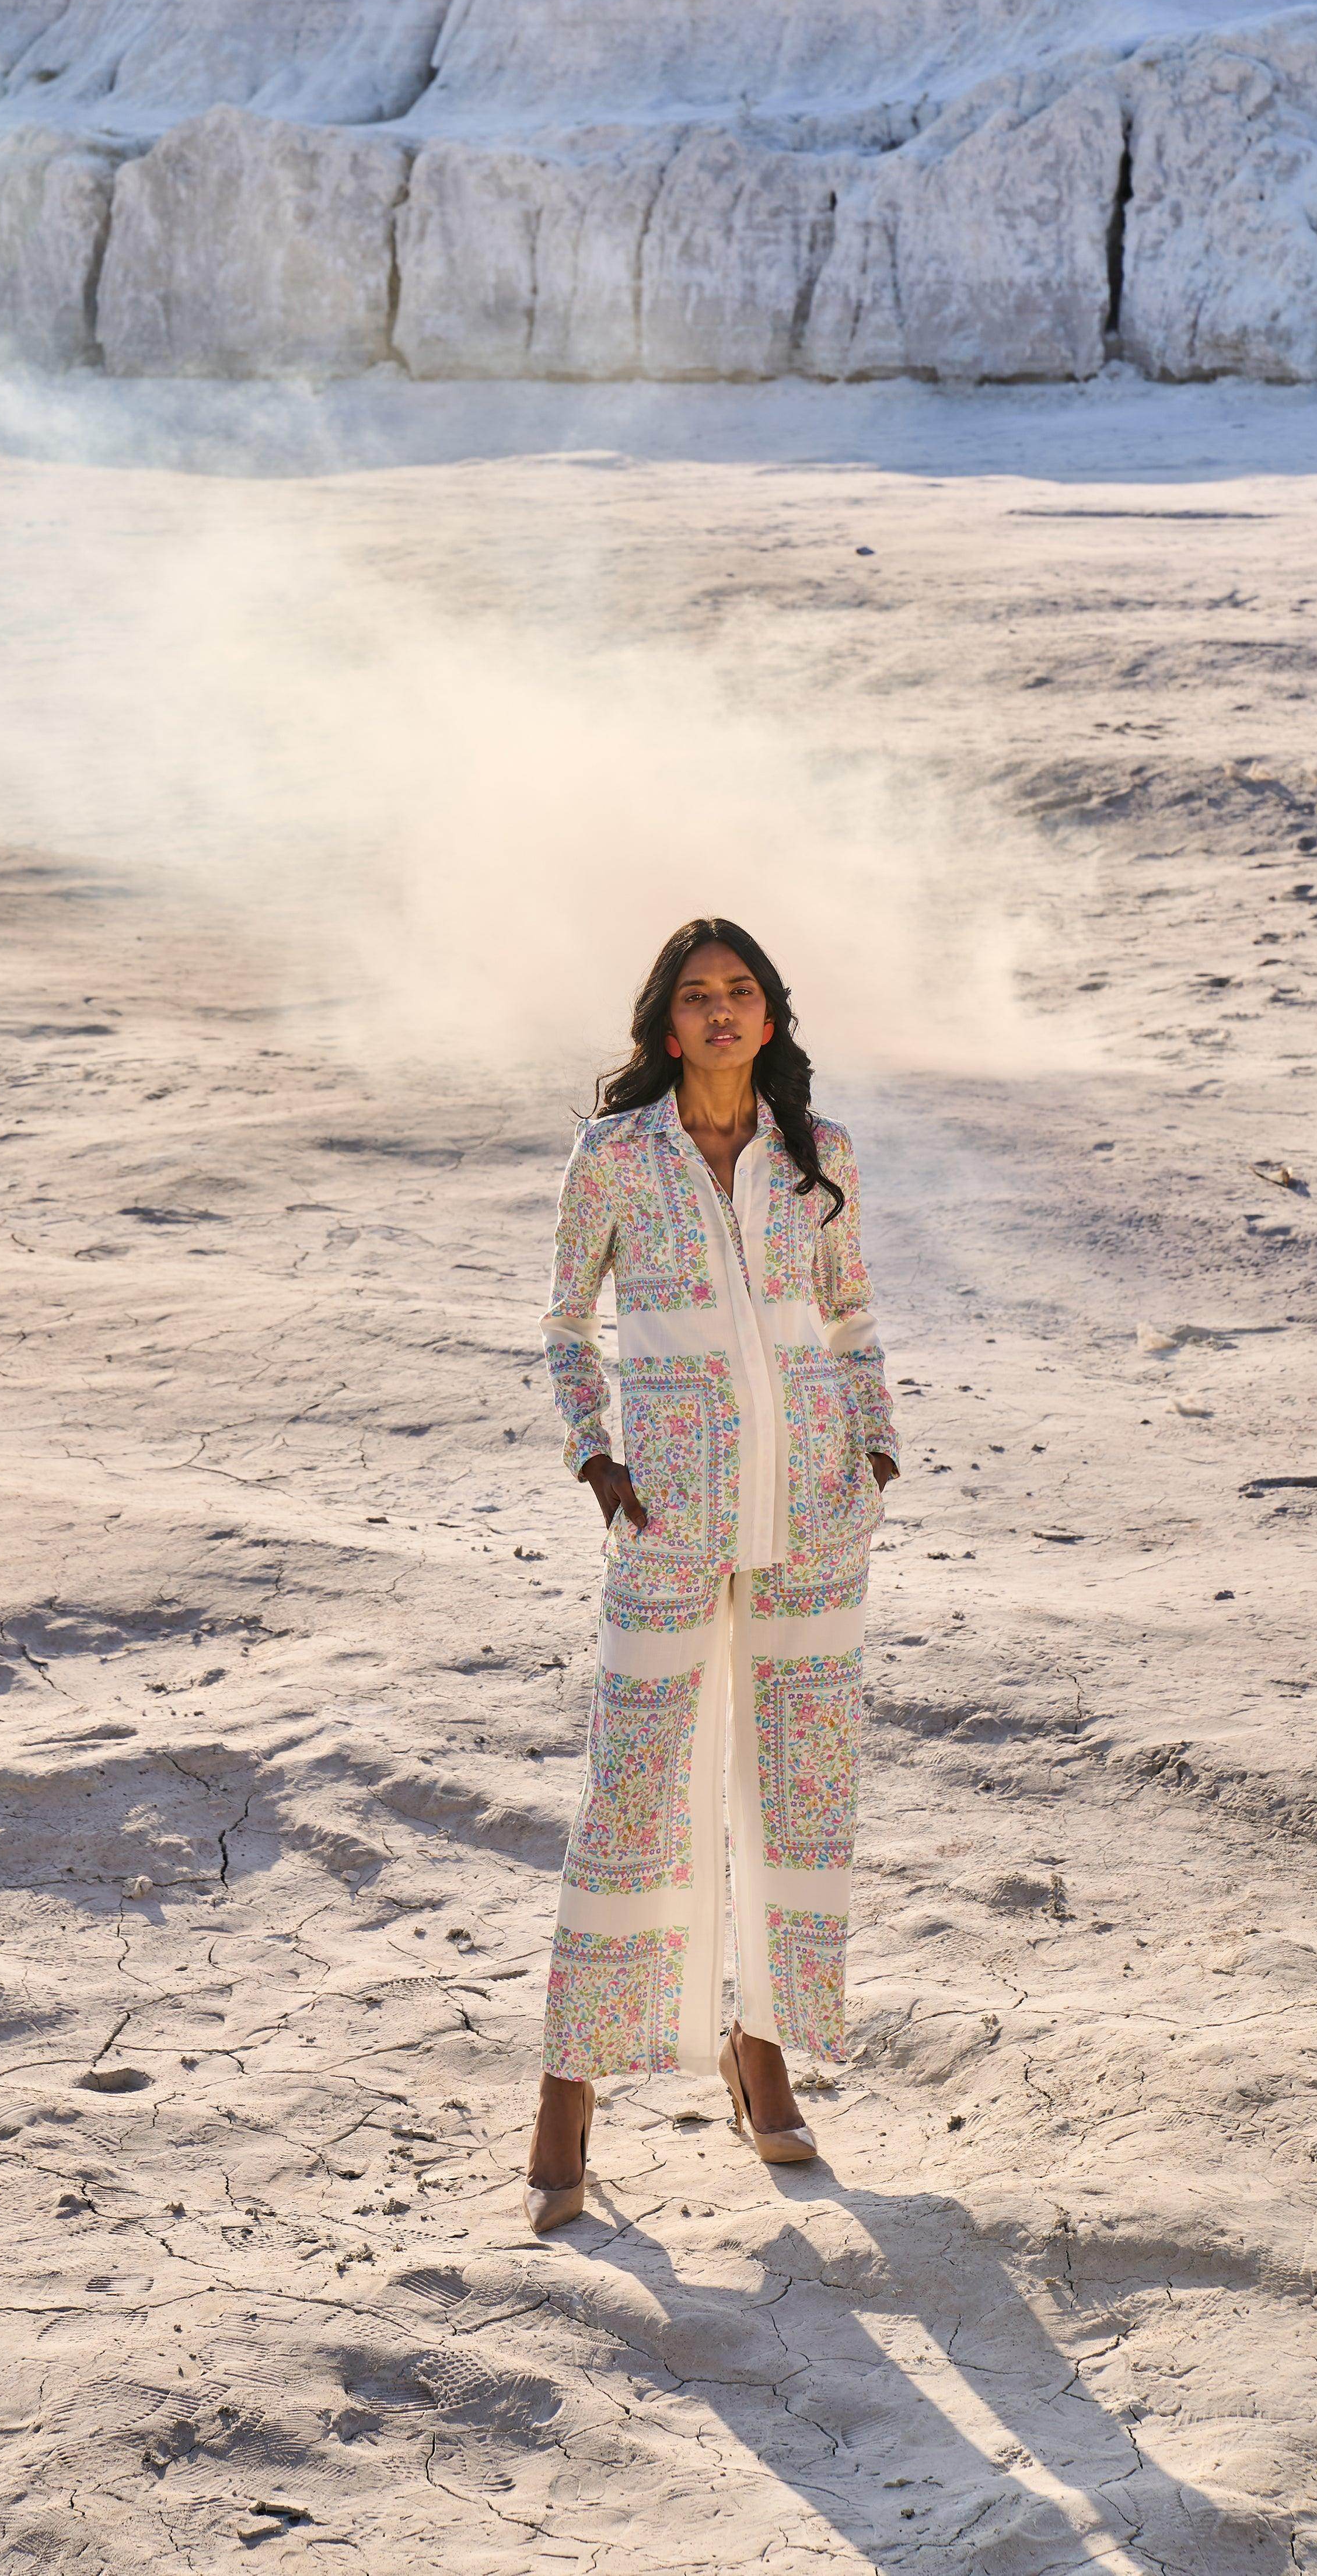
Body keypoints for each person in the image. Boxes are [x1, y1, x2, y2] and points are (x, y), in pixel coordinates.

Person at [525, 918, 899, 2231]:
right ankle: (566, 2092)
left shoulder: (816, 1152)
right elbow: (566, 1321)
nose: (722, 1011)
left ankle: (762, 2052)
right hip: (669, 1515)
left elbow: (850, 1311)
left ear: (769, 1017)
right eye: (698, 997)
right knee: (632, 1788)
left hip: (816, 1508)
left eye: (741, 992)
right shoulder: (618, 1153)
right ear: (667, 1026)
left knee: (799, 1788)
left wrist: (874, 1444)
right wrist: (596, 1455)